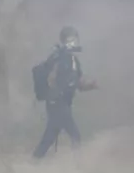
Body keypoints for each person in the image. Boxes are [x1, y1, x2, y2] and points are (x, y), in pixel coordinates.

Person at [32, 26, 97, 158]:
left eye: (74, 40)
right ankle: (78, 165)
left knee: (50, 137)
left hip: (62, 103)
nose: (72, 43)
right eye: (69, 40)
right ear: (63, 41)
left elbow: (78, 83)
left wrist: (92, 85)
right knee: (75, 135)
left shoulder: (73, 60)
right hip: (57, 103)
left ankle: (34, 161)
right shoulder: (59, 58)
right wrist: (56, 92)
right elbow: (52, 79)